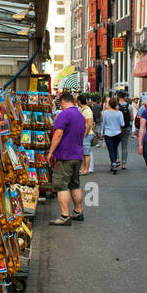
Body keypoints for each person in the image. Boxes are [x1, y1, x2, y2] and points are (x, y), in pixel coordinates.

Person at [47, 91, 87, 226]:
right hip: (77, 154)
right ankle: (78, 211)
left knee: (61, 185)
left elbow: (58, 134)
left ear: (63, 101)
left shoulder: (64, 114)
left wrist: (51, 152)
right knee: (75, 184)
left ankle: (64, 215)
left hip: (65, 155)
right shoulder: (80, 115)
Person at [101, 96, 125, 173]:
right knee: (115, 148)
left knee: (111, 150)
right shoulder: (119, 113)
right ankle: (114, 163)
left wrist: (103, 132)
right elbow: (122, 124)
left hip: (108, 133)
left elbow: (103, 124)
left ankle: (113, 163)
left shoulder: (105, 113)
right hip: (117, 133)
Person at [77, 94, 96, 174]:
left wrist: (85, 134)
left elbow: (89, 123)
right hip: (85, 134)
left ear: (79, 101)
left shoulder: (87, 110)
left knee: (86, 153)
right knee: (84, 153)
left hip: (87, 134)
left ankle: (86, 169)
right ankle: (84, 168)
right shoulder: (83, 109)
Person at [116, 92, 132, 170]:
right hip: (127, 128)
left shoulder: (116, 106)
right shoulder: (129, 106)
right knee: (124, 146)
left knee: (115, 145)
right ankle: (124, 164)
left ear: (118, 96)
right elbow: (131, 118)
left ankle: (117, 159)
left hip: (118, 128)